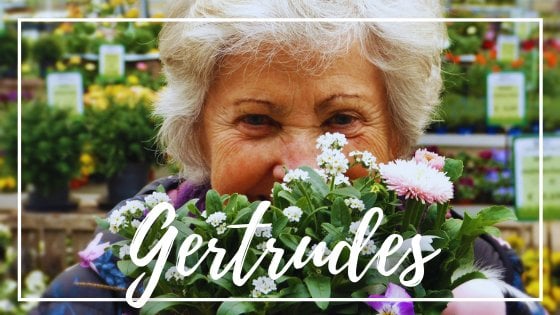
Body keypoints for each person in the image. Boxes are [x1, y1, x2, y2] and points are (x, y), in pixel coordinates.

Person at [34, 1, 541, 314]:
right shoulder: (97, 295)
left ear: (399, 138)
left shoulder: (469, 283)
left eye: (342, 121)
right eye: (258, 121)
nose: (301, 169)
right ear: (197, 134)